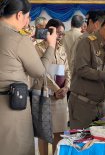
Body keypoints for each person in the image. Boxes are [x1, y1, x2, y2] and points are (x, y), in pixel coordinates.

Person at [0, 0, 56, 155]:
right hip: (11, 109)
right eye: (27, 17)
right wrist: (51, 46)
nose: (27, 21)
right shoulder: (19, 39)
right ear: (19, 15)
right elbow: (40, 72)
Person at [69, 12, 105, 129]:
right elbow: (81, 69)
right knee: (81, 143)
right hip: (83, 105)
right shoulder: (86, 42)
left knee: (99, 143)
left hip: (101, 105)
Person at [32, 19, 70, 154]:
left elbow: (67, 70)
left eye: (62, 34)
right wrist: (55, 89)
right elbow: (41, 71)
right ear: (49, 32)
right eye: (58, 33)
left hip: (61, 97)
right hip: (45, 94)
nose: (60, 36)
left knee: (59, 134)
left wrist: (66, 87)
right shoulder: (38, 47)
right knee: (44, 133)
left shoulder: (61, 48)